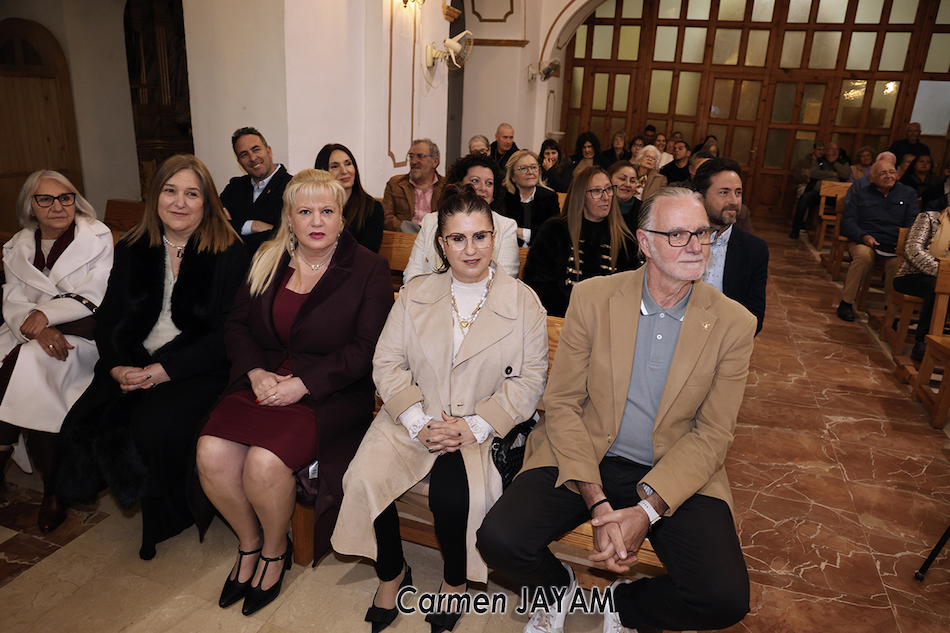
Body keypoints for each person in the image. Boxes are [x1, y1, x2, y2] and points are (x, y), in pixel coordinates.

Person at [478, 187, 755, 633]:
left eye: (702, 233)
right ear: (645, 242)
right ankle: (556, 587)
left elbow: (713, 434)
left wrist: (645, 512)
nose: (696, 246)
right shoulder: (593, 298)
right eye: (678, 234)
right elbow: (563, 402)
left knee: (723, 598)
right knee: (499, 540)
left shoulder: (734, 323)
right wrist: (599, 502)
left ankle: (624, 605)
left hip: (674, 465)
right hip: (585, 452)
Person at [332, 185, 548, 633]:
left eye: (480, 236)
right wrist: (416, 420)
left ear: (494, 238)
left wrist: (474, 425)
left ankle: (454, 581)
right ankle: (392, 571)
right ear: (441, 244)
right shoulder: (415, 293)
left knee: (452, 495)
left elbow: (530, 381)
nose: (471, 249)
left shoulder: (523, 301)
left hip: (482, 426)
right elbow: (387, 362)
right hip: (416, 414)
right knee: (363, 478)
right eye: (458, 238)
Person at [194, 169, 394, 616]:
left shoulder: (368, 268)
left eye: (327, 211)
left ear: (342, 217)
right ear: (289, 218)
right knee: (210, 451)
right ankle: (250, 543)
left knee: (264, 463)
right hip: (263, 381)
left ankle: (275, 551)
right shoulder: (267, 258)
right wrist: (255, 372)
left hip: (330, 392)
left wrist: (304, 384)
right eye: (305, 211)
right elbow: (237, 326)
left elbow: (366, 349)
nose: (316, 221)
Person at [53, 154, 249, 560]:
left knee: (152, 425)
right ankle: (64, 492)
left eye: (192, 194)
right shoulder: (133, 247)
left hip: (200, 366)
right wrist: (117, 367)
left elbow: (226, 332)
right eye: (170, 191)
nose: (179, 202)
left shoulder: (229, 250)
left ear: (207, 201)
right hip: (133, 357)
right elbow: (109, 317)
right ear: (155, 196)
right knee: (79, 421)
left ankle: (171, 512)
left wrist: (166, 370)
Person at [0, 171, 113, 533]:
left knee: (31, 364)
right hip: (29, 332)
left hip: (80, 338)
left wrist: (47, 316)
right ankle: (55, 488)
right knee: (29, 367)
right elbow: (13, 298)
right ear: (30, 206)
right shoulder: (17, 245)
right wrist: (39, 325)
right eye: (45, 199)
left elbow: (97, 291)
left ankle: (49, 486)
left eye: (65, 197)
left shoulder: (97, 236)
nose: (58, 206)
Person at [523, 166, 640, 317]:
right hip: (561, 319)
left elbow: (631, 293)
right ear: (580, 196)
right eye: (596, 191)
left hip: (608, 322)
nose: (606, 197)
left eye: (608, 189)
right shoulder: (554, 232)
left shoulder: (625, 241)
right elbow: (538, 287)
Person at [405, 153, 520, 282]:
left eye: (489, 183)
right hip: (430, 293)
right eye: (475, 181)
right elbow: (412, 272)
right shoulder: (431, 221)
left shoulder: (505, 226)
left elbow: (505, 278)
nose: (483, 188)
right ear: (460, 184)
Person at [693, 158, 769, 335]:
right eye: (724, 192)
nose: (734, 201)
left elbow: (754, 317)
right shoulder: (679, 240)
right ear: (699, 198)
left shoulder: (754, 249)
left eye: (738, 192)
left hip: (725, 338)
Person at [836, 160, 919, 321]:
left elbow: (913, 222)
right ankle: (846, 303)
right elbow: (848, 221)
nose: (888, 176)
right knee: (863, 257)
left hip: (894, 244)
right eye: (882, 173)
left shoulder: (908, 193)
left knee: (897, 264)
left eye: (892, 172)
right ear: (872, 178)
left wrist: (902, 240)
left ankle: (890, 311)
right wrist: (863, 236)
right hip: (865, 241)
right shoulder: (861, 194)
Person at [220, 127, 293, 255]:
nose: (253, 158)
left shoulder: (292, 187)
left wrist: (234, 227)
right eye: (244, 154)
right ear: (239, 162)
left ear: (269, 150)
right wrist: (253, 225)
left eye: (256, 149)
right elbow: (213, 224)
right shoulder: (234, 188)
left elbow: (284, 236)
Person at [893, 207, 950, 361]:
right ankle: (923, 340)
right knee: (936, 287)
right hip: (913, 275)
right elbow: (913, 250)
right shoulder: (929, 218)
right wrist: (943, 271)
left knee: (944, 287)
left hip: (946, 280)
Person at [314, 144, 385, 253]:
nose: (344, 171)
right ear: (322, 172)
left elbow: (367, 254)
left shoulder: (372, 208)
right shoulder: (315, 207)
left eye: (348, 164)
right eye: (335, 166)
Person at [383, 138, 447, 233]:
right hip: (404, 237)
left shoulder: (447, 187)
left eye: (420, 156)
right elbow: (386, 217)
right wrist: (407, 230)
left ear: (435, 162)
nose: (413, 161)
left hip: (434, 237)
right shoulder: (395, 184)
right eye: (411, 156)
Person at [789, 142, 850, 238]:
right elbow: (814, 173)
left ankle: (842, 233)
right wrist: (833, 174)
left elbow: (845, 174)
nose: (834, 151)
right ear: (826, 151)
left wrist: (834, 163)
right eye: (831, 149)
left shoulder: (843, 162)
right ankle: (796, 229)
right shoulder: (820, 161)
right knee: (805, 197)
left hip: (836, 196)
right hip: (819, 193)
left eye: (836, 149)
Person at [502, 149, 561, 247]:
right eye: (523, 168)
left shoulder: (549, 197)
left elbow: (553, 234)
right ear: (512, 176)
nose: (530, 172)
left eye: (534, 167)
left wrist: (522, 233)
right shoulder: (503, 197)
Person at [608, 160, 639, 232]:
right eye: (622, 179)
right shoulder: (600, 206)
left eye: (632, 181)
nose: (628, 184)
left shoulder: (642, 210)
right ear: (609, 179)